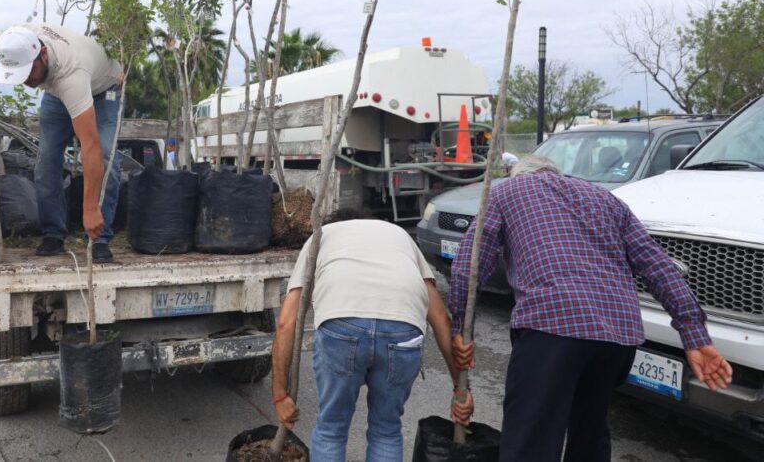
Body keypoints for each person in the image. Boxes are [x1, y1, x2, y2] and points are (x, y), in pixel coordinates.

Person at [449, 155, 732, 462]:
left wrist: (461, 327)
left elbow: (470, 266)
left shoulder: (506, 191)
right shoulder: (606, 199)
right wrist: (695, 335)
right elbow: (658, 266)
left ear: (516, 174)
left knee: (531, 441)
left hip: (552, 328)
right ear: (557, 172)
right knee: (590, 431)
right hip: (617, 337)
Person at [271, 209, 473, 462]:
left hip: (342, 324)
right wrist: (460, 388)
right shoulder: (399, 235)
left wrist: (280, 394)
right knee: (386, 431)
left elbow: (286, 323)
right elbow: (441, 318)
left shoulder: (321, 237)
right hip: (402, 331)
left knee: (331, 430)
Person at [0, 23, 124, 261]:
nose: (26, 81)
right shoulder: (13, 40)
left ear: (42, 55)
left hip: (104, 89)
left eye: (28, 73)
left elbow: (90, 146)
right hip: (57, 92)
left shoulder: (72, 75)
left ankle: (99, 238)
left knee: (105, 155)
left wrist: (90, 208)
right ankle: (53, 235)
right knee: (46, 160)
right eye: (19, 75)